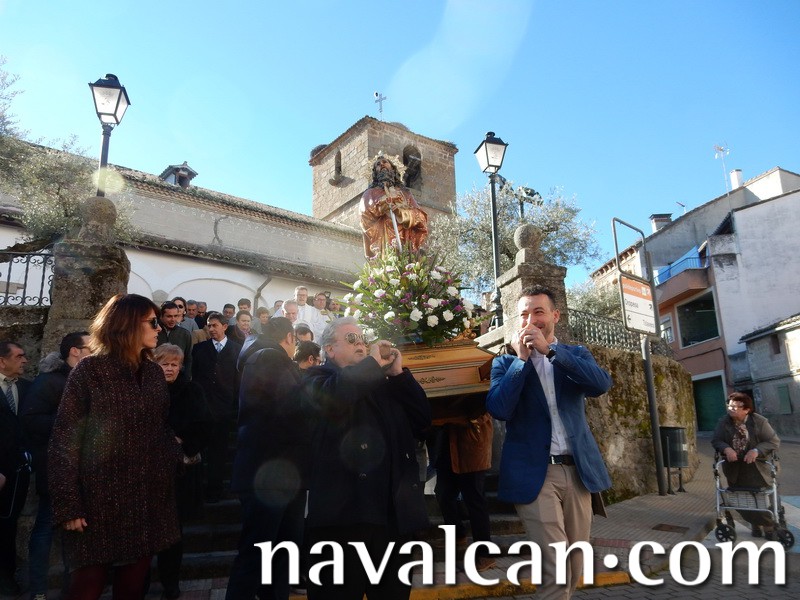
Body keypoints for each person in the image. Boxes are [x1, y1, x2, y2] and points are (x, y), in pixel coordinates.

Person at [48, 294, 184, 600]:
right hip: (96, 501)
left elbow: (160, 427)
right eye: (152, 322)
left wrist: (174, 457)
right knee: (85, 588)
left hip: (145, 500)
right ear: (127, 325)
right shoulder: (89, 371)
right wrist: (69, 504)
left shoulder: (153, 373)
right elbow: (64, 440)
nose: (159, 328)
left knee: (133, 589)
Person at [486, 285, 612, 600]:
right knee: (555, 562)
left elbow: (600, 384)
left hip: (577, 472)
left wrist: (551, 353)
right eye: (524, 314)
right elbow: (499, 409)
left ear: (555, 315)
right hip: (535, 474)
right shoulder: (505, 364)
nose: (531, 320)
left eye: (538, 312)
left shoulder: (575, 355)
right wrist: (521, 360)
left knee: (575, 559)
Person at [303, 317, 430, 600]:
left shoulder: (383, 384)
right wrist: (371, 365)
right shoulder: (315, 380)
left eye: (362, 339)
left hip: (391, 518)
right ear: (329, 349)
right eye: (351, 339)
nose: (360, 344)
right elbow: (336, 397)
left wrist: (399, 376)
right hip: (342, 522)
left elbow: (422, 420)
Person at [226, 317, 310, 600]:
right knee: (259, 553)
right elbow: (293, 409)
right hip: (271, 475)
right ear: (289, 337)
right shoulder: (270, 358)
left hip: (274, 471)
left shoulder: (259, 356)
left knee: (277, 553)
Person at [21, 332, 91, 599]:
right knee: (46, 529)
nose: (95, 353)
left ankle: (72, 590)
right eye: (90, 348)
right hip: (54, 468)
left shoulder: (84, 378)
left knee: (78, 534)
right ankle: (39, 591)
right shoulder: (49, 381)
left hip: (82, 469)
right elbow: (31, 420)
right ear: (75, 351)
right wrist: (72, 425)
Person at [153, 344, 214, 599]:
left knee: (173, 531)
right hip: (147, 471)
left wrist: (184, 441)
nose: (169, 368)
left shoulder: (191, 390)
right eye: (164, 364)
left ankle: (170, 583)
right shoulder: (144, 389)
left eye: (174, 364)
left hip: (178, 471)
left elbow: (204, 425)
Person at [711, 391, 781, 539]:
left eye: (736, 406)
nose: (731, 409)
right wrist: (726, 448)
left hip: (757, 468)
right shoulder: (723, 422)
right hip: (735, 469)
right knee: (742, 500)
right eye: (730, 405)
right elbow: (716, 440)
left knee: (760, 499)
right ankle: (754, 524)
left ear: (746, 409)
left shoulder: (759, 422)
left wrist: (756, 450)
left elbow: (773, 441)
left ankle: (768, 527)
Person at [432, 410, 495, 572]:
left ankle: (485, 553)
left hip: (472, 445)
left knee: (475, 500)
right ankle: (457, 534)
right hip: (448, 445)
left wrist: (446, 418)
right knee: (443, 494)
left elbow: (484, 411)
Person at [192, 311, 243, 503]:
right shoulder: (199, 349)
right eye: (209, 325)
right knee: (201, 450)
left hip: (225, 408)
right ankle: (198, 491)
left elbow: (238, 379)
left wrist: (233, 402)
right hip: (203, 408)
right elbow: (195, 376)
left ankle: (216, 490)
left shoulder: (237, 349)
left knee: (219, 451)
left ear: (225, 326)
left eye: (215, 325)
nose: (211, 329)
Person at [0, 341, 31, 596]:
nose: (25, 361)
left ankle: (7, 578)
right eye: (19, 356)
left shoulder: (27, 387)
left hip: (17, 473)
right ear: (2, 361)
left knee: (8, 526)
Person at [359, 155, 428, 259]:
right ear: (375, 172)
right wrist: (383, 205)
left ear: (393, 168)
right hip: (383, 239)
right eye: (378, 164)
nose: (382, 164)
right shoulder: (370, 193)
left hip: (405, 238)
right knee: (388, 263)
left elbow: (421, 217)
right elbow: (364, 215)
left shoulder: (405, 193)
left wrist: (402, 214)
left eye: (385, 162)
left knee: (406, 264)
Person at [158, 301, 194, 376]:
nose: (173, 319)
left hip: (179, 378)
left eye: (175, 316)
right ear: (161, 316)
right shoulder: (154, 332)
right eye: (169, 316)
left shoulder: (185, 334)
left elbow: (188, 358)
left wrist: (186, 377)